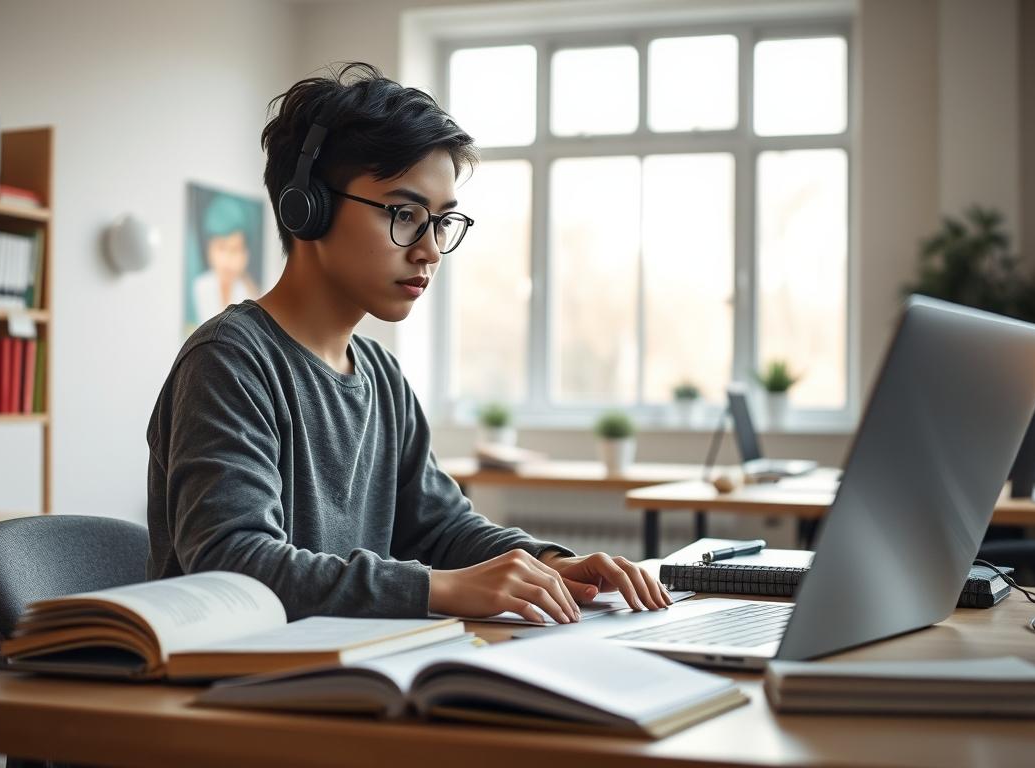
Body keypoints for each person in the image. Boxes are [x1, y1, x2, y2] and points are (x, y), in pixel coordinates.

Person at [146, 62, 670, 625]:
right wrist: (436, 589)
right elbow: (233, 563)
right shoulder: (230, 359)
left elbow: (439, 528)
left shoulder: (379, 373)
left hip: (339, 674)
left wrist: (548, 565)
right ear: (308, 208)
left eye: (442, 222)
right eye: (404, 214)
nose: (430, 251)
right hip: (223, 691)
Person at [191, 192, 261, 324]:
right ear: (209, 250)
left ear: (246, 254)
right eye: (221, 248)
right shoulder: (200, 286)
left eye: (235, 249)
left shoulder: (250, 293)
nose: (228, 259)